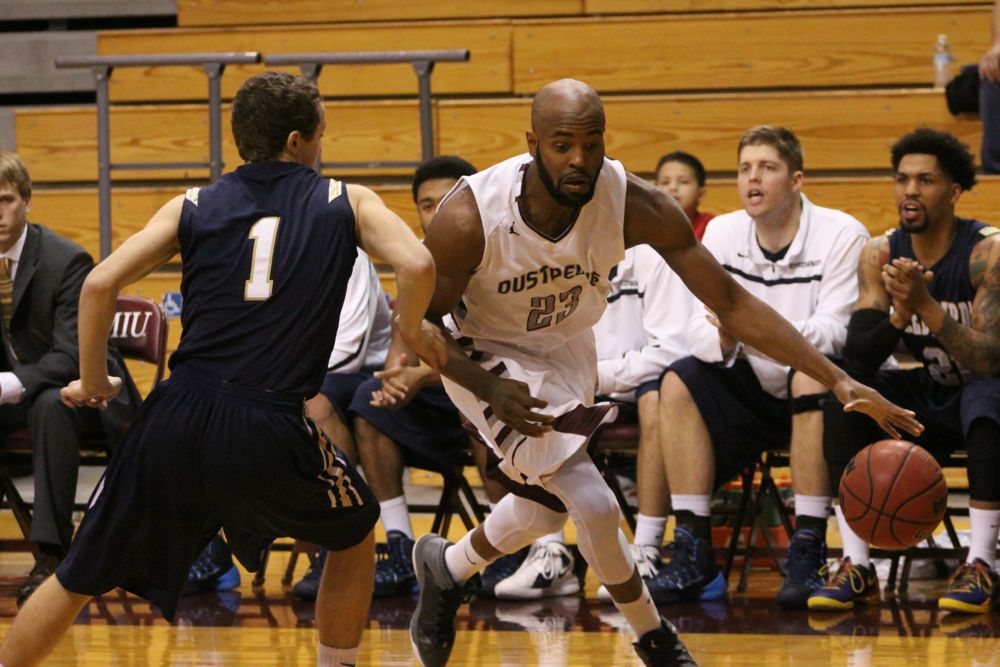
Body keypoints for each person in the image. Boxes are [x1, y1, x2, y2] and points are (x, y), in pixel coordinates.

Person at [407, 79, 921, 667]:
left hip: (569, 344)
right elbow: (415, 324)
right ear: (532, 144)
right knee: (591, 501)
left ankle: (445, 568)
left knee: (547, 507)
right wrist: (487, 387)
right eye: (562, 145)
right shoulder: (472, 216)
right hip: (484, 352)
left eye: (593, 144)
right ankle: (654, 639)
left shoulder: (632, 203)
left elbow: (730, 301)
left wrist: (838, 379)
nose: (580, 160)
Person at [0, 71, 446, 667]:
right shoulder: (346, 199)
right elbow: (417, 263)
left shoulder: (193, 203)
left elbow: (100, 284)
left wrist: (92, 379)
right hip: (267, 417)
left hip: (177, 413)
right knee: (355, 530)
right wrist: (411, 332)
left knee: (77, 573)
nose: (321, 146)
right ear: (296, 141)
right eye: (320, 135)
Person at [650, 126, 871, 610]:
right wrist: (729, 336)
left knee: (814, 371)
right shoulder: (723, 232)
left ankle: (809, 547)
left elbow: (835, 331)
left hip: (817, 391)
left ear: (796, 180)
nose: (753, 179)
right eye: (745, 169)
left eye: (767, 168)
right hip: (748, 384)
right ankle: (692, 551)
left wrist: (751, 331)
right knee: (678, 380)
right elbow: (697, 330)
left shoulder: (842, 232)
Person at [809, 128, 1000, 614]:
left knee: (986, 391)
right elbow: (859, 359)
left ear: (954, 192)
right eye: (901, 179)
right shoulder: (880, 253)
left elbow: (990, 359)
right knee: (847, 393)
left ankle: (981, 563)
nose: (910, 190)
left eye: (925, 180)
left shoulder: (986, 253)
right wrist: (899, 313)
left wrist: (925, 306)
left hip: (986, 399)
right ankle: (856, 567)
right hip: (931, 394)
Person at [0, 151, 141, 606]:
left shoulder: (66, 259)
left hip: (89, 395)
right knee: (39, 402)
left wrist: (11, 384)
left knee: (49, 403)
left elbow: (73, 355)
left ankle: (52, 555)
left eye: (4, 200)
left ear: (27, 200)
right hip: (20, 394)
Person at [592, 238, 695, 603]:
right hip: (593, 384)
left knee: (657, 396)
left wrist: (598, 376)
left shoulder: (655, 254)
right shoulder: (561, 256)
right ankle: (550, 550)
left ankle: (647, 547)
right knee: (538, 392)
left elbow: (673, 351)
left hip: (644, 383)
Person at [653, 151, 714, 239]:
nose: (673, 188)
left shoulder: (711, 226)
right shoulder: (644, 227)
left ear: (701, 194)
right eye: (665, 182)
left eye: (683, 182)